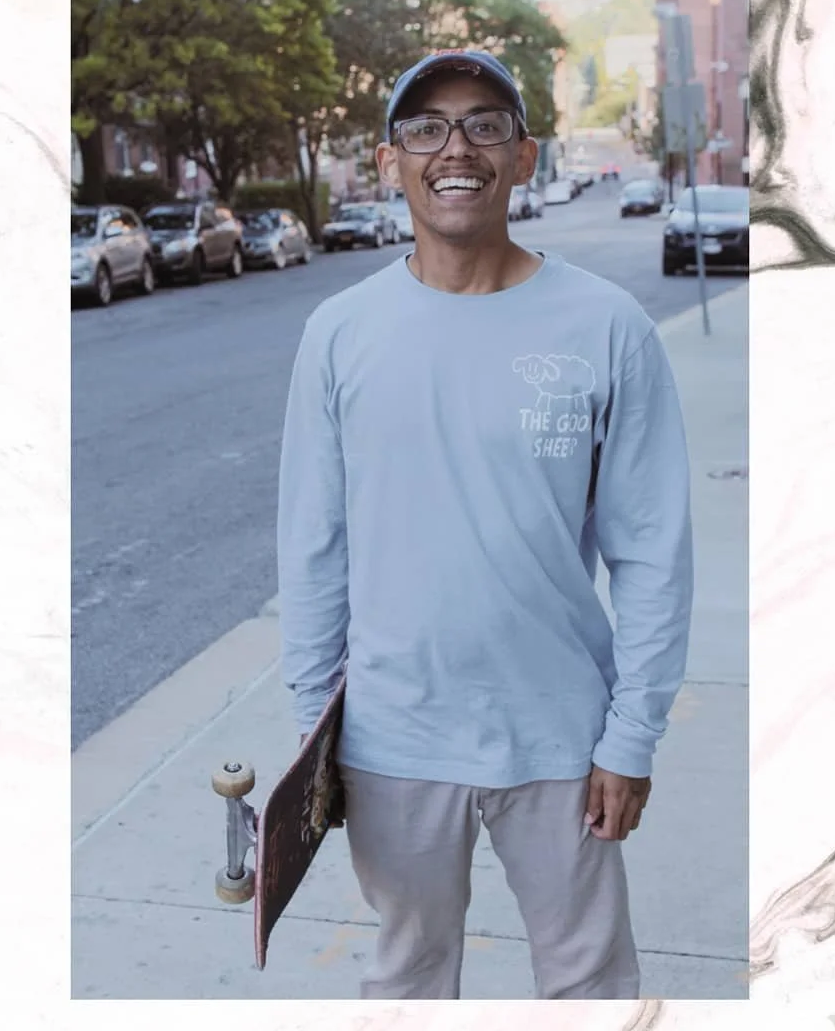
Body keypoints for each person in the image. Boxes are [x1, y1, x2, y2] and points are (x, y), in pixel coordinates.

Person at [276, 50, 694, 1000]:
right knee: (410, 980)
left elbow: (653, 552)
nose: (455, 148)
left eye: (484, 125)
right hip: (392, 736)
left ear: (524, 155)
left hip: (562, 735)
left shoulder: (607, 325)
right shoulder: (340, 331)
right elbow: (312, 544)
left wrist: (632, 736)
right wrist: (313, 737)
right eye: (425, 128)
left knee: (591, 986)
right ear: (390, 162)